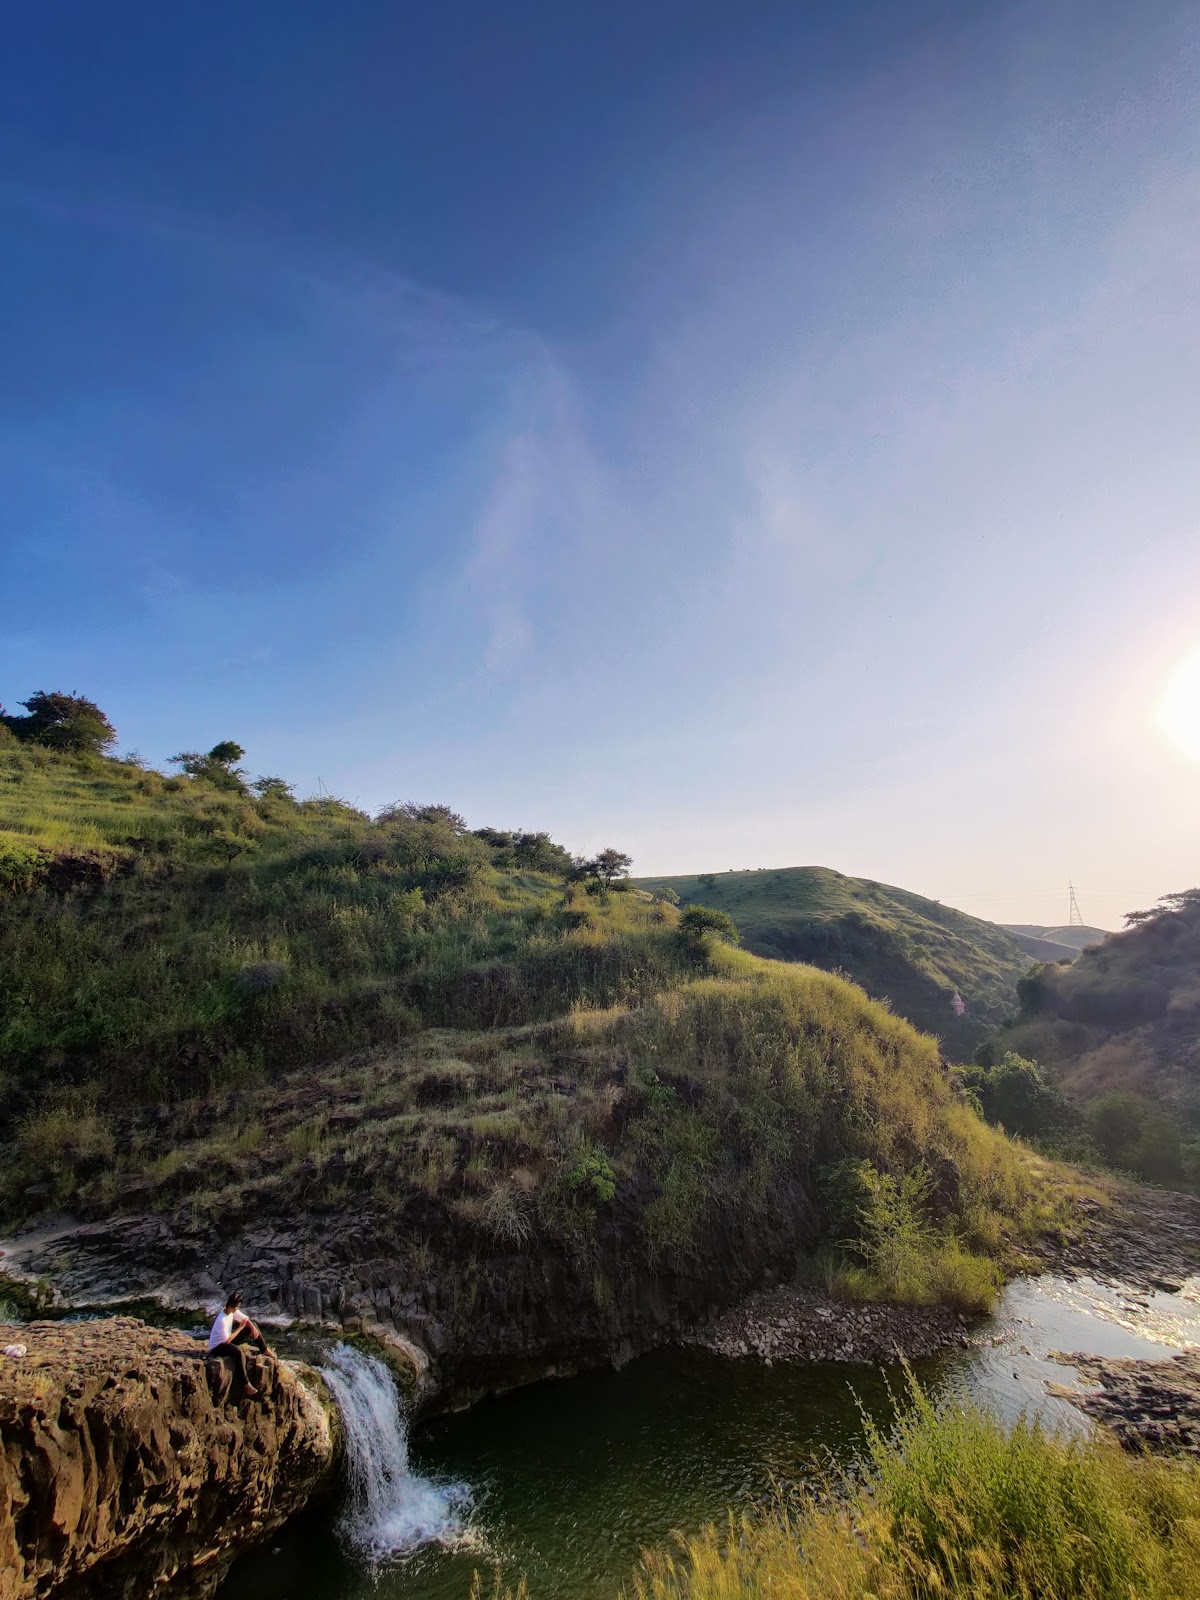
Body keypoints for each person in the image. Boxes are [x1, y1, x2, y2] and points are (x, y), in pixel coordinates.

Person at [207, 1290, 269, 1398]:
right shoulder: (222, 1319)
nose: (237, 1309)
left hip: (226, 1340)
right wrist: (240, 1328)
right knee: (238, 1353)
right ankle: (246, 1384)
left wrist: (253, 1328)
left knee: (252, 1325)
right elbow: (227, 1341)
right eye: (236, 1307)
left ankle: (264, 1350)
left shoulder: (231, 1311)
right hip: (218, 1346)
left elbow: (245, 1319)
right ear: (230, 1306)